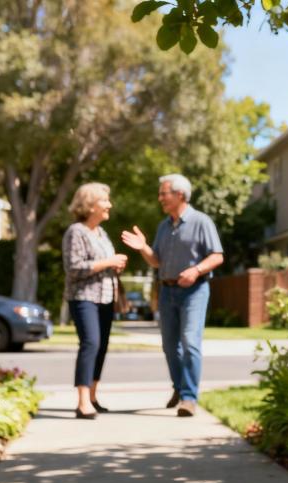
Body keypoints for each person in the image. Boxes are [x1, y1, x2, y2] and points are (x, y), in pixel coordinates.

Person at [120, 174, 224, 417]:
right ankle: (179, 388)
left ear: (180, 194)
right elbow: (157, 261)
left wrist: (196, 270)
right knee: (169, 346)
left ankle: (188, 398)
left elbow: (217, 255)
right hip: (167, 290)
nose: (160, 198)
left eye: (163, 193)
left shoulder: (201, 221)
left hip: (195, 290)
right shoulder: (164, 226)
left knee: (189, 341)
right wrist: (143, 247)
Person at [62, 182, 127, 420]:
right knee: (90, 343)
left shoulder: (101, 233)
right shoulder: (76, 232)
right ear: (90, 205)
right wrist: (109, 262)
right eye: (104, 200)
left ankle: (92, 397)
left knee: (101, 346)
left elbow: (103, 264)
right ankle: (81, 402)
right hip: (83, 298)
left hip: (105, 297)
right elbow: (74, 268)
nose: (109, 204)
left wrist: (116, 265)